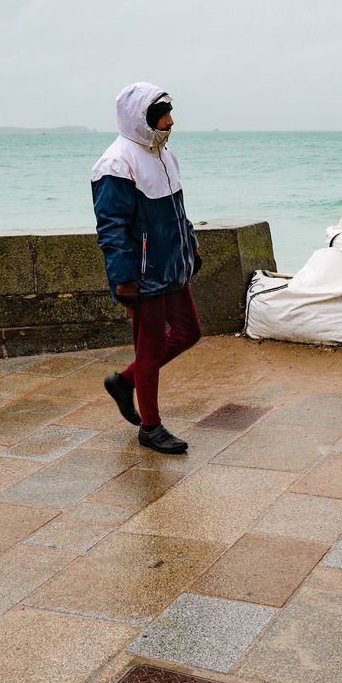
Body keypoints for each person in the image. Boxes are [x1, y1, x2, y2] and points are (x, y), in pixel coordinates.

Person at [91, 82, 203, 454]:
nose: (170, 121)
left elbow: (177, 210)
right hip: (142, 272)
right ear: (141, 119)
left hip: (172, 264)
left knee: (188, 332)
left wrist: (190, 247)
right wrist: (123, 278)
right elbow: (112, 228)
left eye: (169, 114)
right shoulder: (116, 163)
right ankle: (150, 428)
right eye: (161, 116)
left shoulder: (164, 154)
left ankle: (125, 381)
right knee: (151, 346)